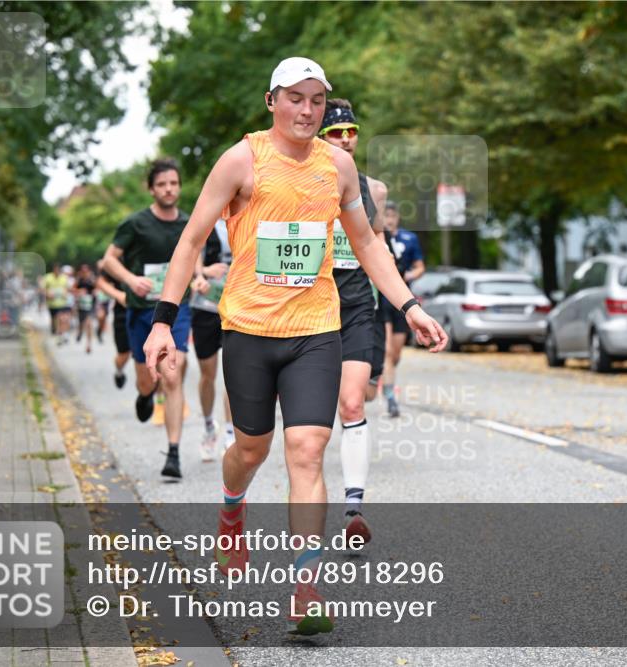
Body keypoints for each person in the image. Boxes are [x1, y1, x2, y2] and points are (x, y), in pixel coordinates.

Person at [142, 57, 447, 636]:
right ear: (272, 101)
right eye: (295, 99)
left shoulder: (339, 169)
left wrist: (411, 306)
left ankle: (305, 587)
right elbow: (190, 240)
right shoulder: (242, 160)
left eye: (315, 100)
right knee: (251, 450)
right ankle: (232, 507)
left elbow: (368, 244)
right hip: (251, 332)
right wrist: (163, 322)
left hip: (315, 331)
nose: (307, 110)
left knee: (306, 450)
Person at [318, 98, 387, 544]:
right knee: (313, 424)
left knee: (353, 404)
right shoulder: (304, 182)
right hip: (313, 306)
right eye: (335, 132)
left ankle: (354, 510)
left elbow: (376, 244)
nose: (345, 138)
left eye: (351, 131)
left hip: (360, 303)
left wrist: (402, 304)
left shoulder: (373, 189)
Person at [102, 158, 193, 479]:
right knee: (148, 379)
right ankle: (143, 394)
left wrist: (197, 278)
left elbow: (192, 261)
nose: (169, 189)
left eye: (173, 183)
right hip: (141, 310)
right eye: (162, 184)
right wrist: (130, 279)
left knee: (172, 373)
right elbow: (108, 261)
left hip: (177, 310)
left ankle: (173, 453)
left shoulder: (188, 223)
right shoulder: (135, 224)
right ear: (151, 189)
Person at [189, 218, 235, 461]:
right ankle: (209, 427)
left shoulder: (249, 213)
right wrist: (203, 272)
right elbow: (192, 247)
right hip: (206, 305)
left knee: (233, 372)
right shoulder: (208, 218)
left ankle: (230, 434)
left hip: (237, 307)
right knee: (208, 374)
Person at [379, 202, 425, 417]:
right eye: (385, 215)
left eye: (392, 215)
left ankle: (385, 375)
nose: (389, 219)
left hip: (403, 299)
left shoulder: (409, 239)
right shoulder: (375, 237)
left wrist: (409, 276)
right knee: (387, 351)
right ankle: (390, 399)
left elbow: (419, 267)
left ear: (397, 217)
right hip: (382, 298)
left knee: (395, 354)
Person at [95, 267, 130, 388]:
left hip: (151, 312)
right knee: (124, 355)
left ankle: (158, 399)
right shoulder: (118, 255)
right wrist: (119, 295)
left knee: (155, 356)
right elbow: (100, 281)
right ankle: (119, 371)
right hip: (123, 314)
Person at [43, 263, 72, 344]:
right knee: (54, 319)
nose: (57, 272)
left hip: (62, 303)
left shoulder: (64, 278)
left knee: (61, 318)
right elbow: (42, 289)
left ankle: (62, 334)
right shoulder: (48, 277)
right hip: (52, 304)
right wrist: (47, 294)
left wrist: (65, 293)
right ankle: (56, 331)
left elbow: (68, 289)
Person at [74, 263, 96, 354]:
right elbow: (72, 289)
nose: (85, 272)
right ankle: (79, 332)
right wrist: (79, 292)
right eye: (83, 271)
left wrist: (95, 292)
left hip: (90, 305)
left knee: (89, 324)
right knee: (81, 323)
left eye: (86, 271)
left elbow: (97, 288)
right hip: (81, 305)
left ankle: (88, 345)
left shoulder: (92, 280)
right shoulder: (79, 280)